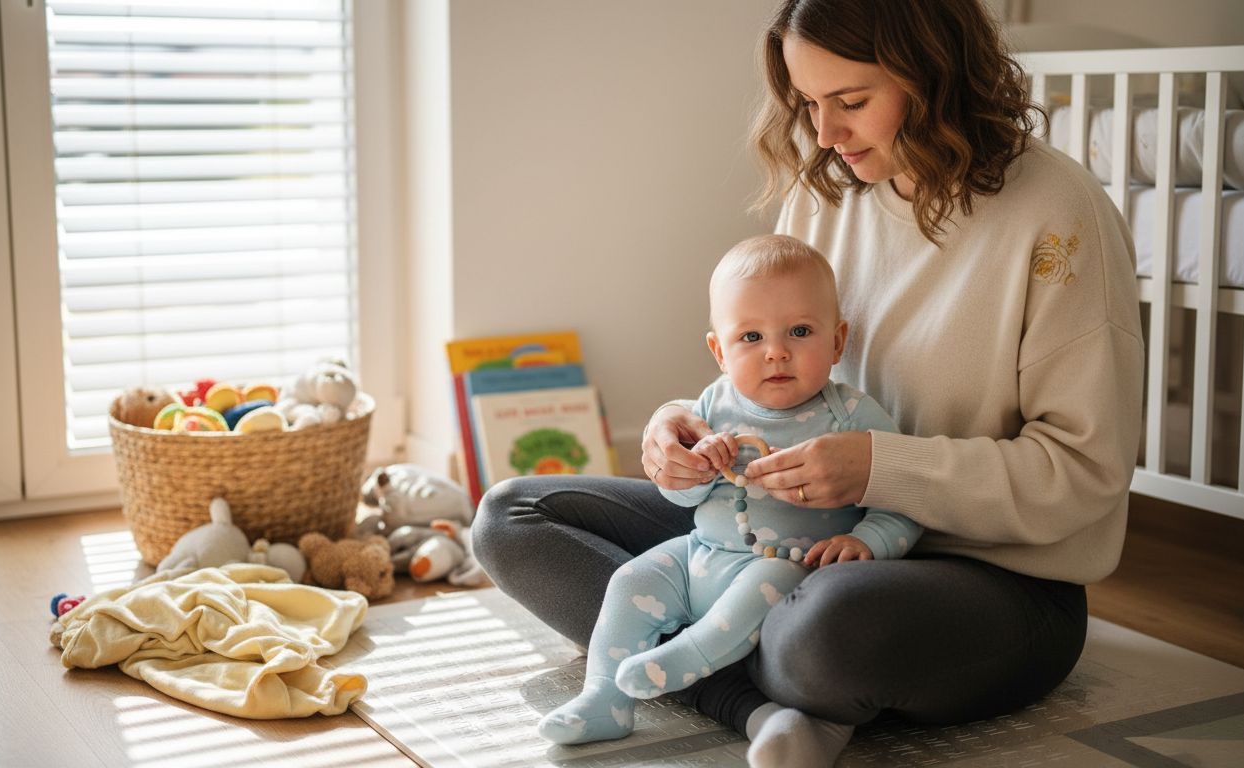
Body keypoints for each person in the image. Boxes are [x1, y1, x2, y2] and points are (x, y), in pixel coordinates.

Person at [473, 0, 1143, 765]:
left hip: (989, 579)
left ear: (935, 74)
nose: (824, 134)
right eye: (809, 103)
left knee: (819, 632)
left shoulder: (1059, 215)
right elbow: (773, 364)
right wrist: (682, 426)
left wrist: (879, 469)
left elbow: (1085, 472)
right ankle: (766, 709)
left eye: (850, 101)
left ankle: (732, 675)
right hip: (784, 542)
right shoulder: (827, 195)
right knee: (513, 517)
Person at [536, 234, 921, 747]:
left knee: (766, 583)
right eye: (751, 337)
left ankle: (688, 657)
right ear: (719, 350)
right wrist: (693, 472)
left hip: (786, 566)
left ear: (837, 342)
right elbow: (681, 499)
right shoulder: (710, 406)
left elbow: (905, 501)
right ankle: (604, 697)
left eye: (800, 331)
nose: (776, 351)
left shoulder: (851, 416)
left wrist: (866, 541)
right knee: (630, 580)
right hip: (700, 554)